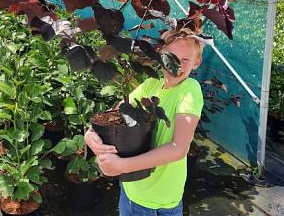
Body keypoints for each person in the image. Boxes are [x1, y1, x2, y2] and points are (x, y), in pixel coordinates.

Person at [85, 31, 204, 216]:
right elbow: (115, 114)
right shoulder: (151, 85)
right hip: (132, 189)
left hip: (161, 198)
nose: (176, 65)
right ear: (159, 56)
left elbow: (179, 148)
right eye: (170, 57)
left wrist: (121, 166)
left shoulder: (190, 90)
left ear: (197, 63)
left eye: (185, 60)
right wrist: (91, 133)